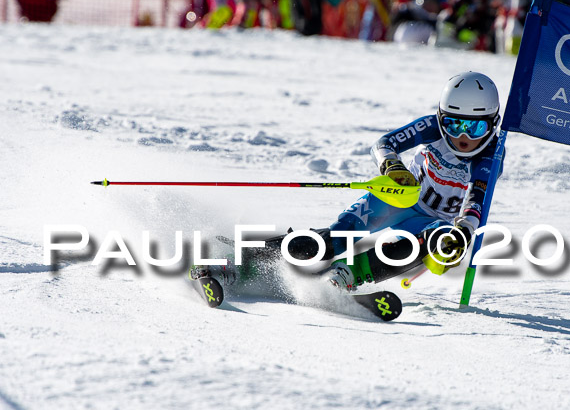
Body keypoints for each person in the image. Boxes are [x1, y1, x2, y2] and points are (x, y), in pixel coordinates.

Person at [190, 72, 504, 292]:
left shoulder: (490, 157)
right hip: (398, 198)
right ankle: (238, 260)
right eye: (453, 123)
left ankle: (351, 275)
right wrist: (392, 166)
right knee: (333, 240)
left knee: (439, 244)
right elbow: (384, 143)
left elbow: (475, 201)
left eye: (474, 128)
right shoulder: (431, 128)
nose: (462, 137)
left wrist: (463, 231)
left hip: (434, 224)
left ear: (493, 124)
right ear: (440, 117)